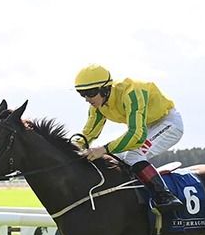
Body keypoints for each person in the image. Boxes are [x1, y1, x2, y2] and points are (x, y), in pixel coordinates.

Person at [72, 64, 184, 212]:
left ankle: (165, 196)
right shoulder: (97, 105)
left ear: (105, 89)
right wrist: (70, 148)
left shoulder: (132, 92)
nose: (87, 99)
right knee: (115, 158)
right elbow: (89, 134)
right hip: (146, 126)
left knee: (133, 155)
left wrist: (104, 149)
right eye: (82, 94)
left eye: (90, 93)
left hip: (168, 122)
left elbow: (136, 135)